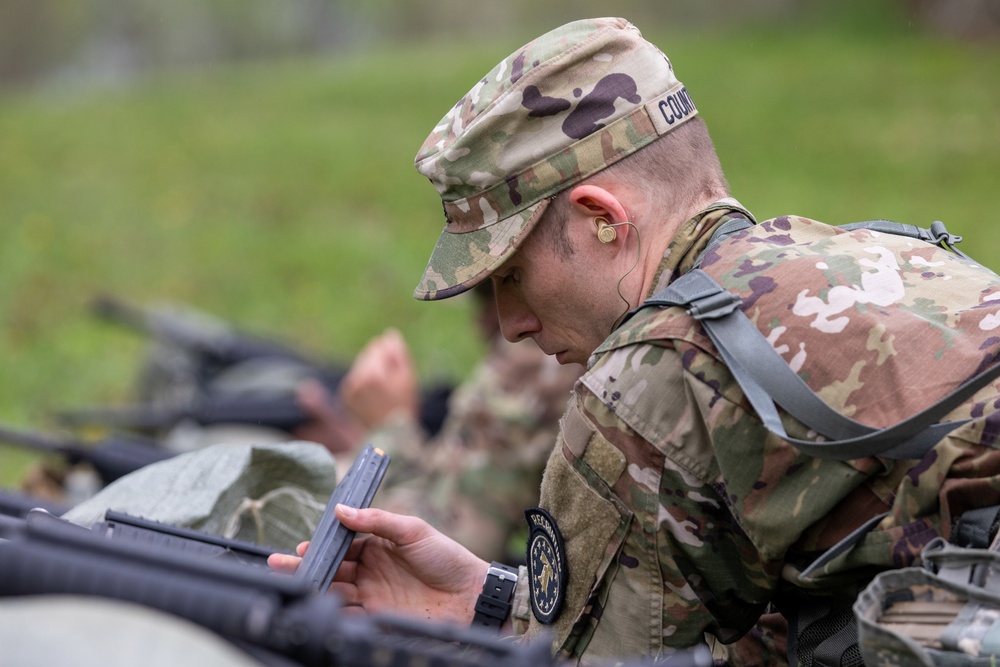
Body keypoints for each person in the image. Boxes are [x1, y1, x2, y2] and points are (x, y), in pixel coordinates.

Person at [270, 17, 1000, 667]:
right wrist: (487, 601)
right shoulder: (891, 255)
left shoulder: (651, 382)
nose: (513, 323)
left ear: (604, 220)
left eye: (514, 274)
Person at [294, 281, 583, 562]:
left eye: (509, 278)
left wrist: (388, 429)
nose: (484, 324)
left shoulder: (540, 355)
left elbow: (440, 552)